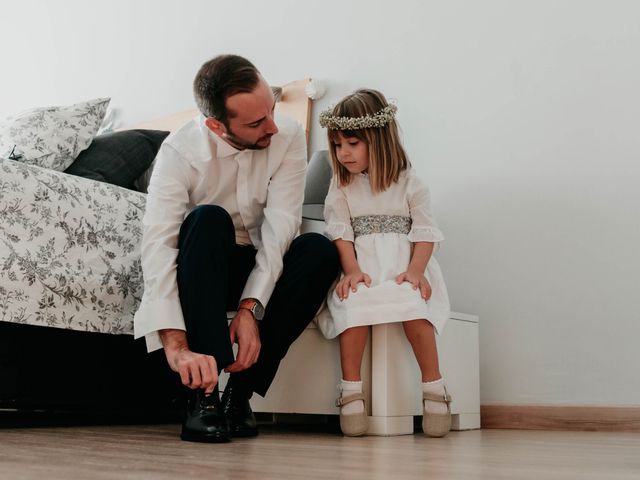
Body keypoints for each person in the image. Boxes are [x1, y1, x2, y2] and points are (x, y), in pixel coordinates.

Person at [133, 54, 339, 443]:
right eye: (257, 122)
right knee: (208, 219)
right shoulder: (179, 152)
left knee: (318, 250)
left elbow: (281, 230)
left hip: (263, 266)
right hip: (204, 268)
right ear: (215, 125)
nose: (273, 127)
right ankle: (202, 397)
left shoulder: (288, 136)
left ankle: (238, 397)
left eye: (272, 110)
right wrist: (175, 347)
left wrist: (251, 308)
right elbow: (158, 247)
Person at [316, 89, 452, 437]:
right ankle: (351, 392)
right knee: (354, 306)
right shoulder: (341, 186)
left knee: (413, 305)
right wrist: (351, 271)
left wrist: (416, 271)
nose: (343, 153)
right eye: (336, 145)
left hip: (404, 266)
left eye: (352, 143)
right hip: (362, 268)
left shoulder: (409, 183)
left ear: (378, 140)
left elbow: (425, 231)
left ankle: (434, 388)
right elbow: (341, 232)